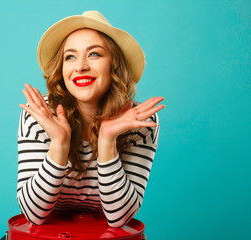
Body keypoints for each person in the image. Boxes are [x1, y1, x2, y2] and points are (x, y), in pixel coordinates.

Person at [17, 10, 165, 228]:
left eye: (94, 54)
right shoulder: (42, 114)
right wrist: (59, 144)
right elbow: (33, 214)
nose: (80, 66)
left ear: (114, 65)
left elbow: (119, 218)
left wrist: (107, 140)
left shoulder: (138, 122)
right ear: (62, 68)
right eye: (70, 57)